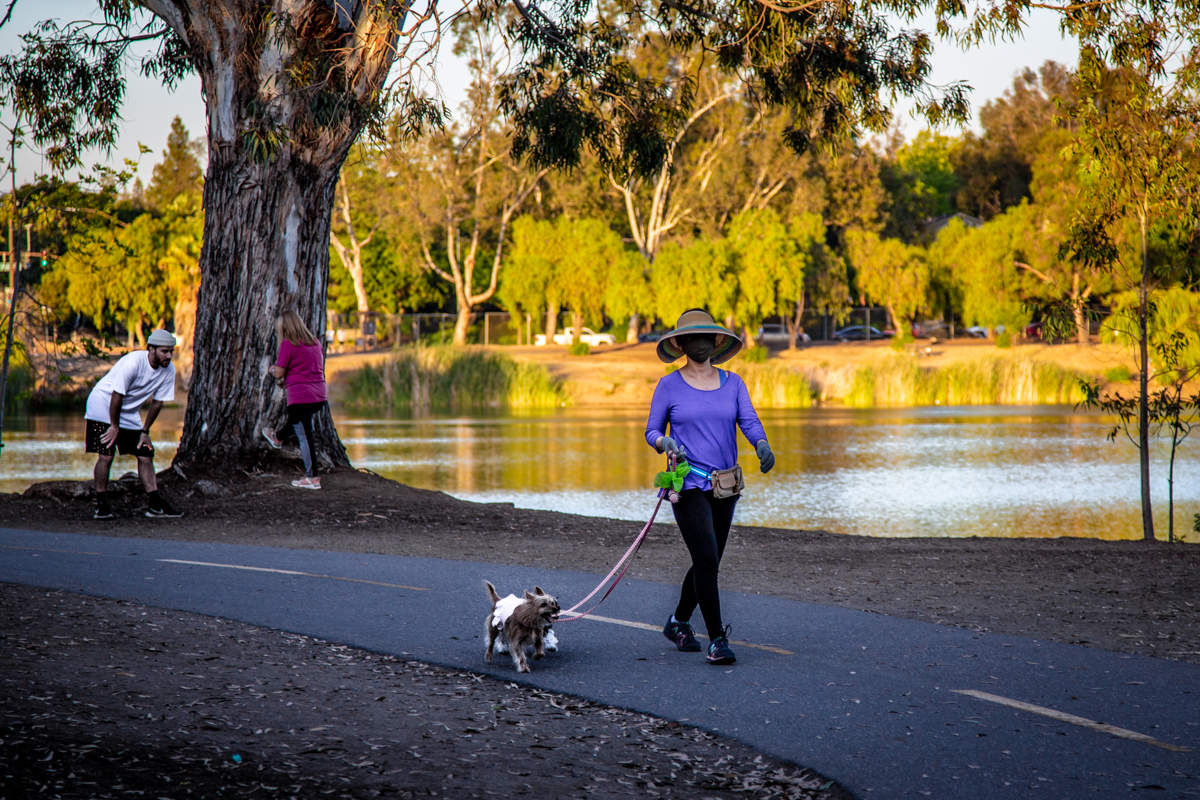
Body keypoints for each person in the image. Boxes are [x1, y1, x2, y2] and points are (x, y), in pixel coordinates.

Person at [644, 309, 776, 665]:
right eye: (693, 338)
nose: (701, 343)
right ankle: (717, 639)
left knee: (710, 560)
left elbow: (748, 420)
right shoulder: (668, 385)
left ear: (716, 342)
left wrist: (761, 444)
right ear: (682, 343)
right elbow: (652, 430)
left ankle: (678, 622)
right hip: (685, 484)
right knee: (705, 557)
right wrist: (663, 443)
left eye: (707, 337)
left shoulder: (733, 383)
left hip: (725, 485)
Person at [85, 329, 183, 519]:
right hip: (102, 405)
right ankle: (101, 505)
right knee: (106, 454)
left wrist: (145, 431)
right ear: (151, 349)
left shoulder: (169, 369)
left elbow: (157, 402)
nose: (169, 356)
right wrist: (114, 427)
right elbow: (116, 395)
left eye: (171, 351)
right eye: (164, 351)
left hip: (128, 412)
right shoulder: (133, 362)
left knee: (145, 452)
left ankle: (155, 505)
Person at [266, 310, 328, 489]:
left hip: (301, 397)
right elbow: (306, 369)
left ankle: (313, 478)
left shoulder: (288, 344)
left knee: (304, 435)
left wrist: (272, 370)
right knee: (300, 427)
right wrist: (288, 382)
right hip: (319, 395)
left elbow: (279, 371)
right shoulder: (315, 342)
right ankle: (277, 437)